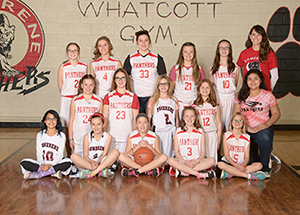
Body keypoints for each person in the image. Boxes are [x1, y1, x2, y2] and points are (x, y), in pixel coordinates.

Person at [233, 69, 281, 178]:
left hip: (262, 129)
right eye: (249, 79)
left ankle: (265, 169)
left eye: (256, 79)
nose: (253, 81)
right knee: (251, 162)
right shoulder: (241, 96)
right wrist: (247, 128)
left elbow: (276, 113)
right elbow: (235, 115)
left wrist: (266, 124)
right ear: (246, 81)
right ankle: (249, 167)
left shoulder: (268, 95)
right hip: (246, 129)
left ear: (260, 81)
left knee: (265, 138)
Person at [123, 30, 167, 113]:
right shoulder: (131, 58)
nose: (143, 43)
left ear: (149, 42)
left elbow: (163, 78)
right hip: (136, 96)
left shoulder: (157, 57)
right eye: (140, 41)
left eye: (146, 40)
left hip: (152, 96)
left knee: (150, 122)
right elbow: (125, 78)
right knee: (138, 122)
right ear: (137, 42)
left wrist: (159, 94)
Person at [20, 110, 72, 179]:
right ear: (44, 121)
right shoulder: (40, 134)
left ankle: (39, 174)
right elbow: (39, 153)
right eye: (48, 119)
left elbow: (60, 154)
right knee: (24, 162)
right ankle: (53, 173)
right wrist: (42, 164)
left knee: (69, 162)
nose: (51, 121)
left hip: (55, 163)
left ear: (57, 121)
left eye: (54, 119)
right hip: (42, 164)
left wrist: (50, 165)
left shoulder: (61, 135)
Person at [168, 107, 216, 179]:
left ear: (195, 117)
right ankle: (197, 173)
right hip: (183, 161)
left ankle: (184, 171)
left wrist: (197, 161)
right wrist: (185, 161)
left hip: (196, 162)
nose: (189, 118)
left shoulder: (200, 131)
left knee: (212, 160)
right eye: (187, 116)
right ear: (183, 117)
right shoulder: (178, 131)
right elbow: (176, 152)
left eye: (192, 116)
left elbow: (203, 152)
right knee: (170, 160)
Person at [57, 42, 87, 156]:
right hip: (66, 98)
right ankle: (69, 154)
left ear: (78, 52)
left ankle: (82, 152)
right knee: (66, 126)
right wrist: (67, 95)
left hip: (79, 98)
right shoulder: (63, 66)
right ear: (67, 53)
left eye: (75, 50)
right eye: (70, 50)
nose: (73, 53)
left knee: (78, 124)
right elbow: (60, 84)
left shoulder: (84, 66)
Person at [217, 112, 266, 180]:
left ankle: (231, 173)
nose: (237, 122)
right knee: (220, 164)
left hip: (242, 165)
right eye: (235, 120)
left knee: (259, 165)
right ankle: (248, 176)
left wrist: (244, 165)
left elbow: (247, 156)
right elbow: (227, 155)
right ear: (231, 122)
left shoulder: (247, 137)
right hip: (230, 163)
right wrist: (235, 165)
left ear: (243, 123)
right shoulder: (226, 135)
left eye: (240, 120)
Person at [70, 112, 120, 179]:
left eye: (98, 124)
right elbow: (85, 155)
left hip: (101, 161)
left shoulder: (108, 136)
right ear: (90, 125)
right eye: (93, 124)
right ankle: (97, 171)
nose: (96, 127)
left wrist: (98, 162)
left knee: (116, 152)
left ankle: (93, 172)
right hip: (90, 162)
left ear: (103, 124)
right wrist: (92, 162)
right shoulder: (87, 137)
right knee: (73, 156)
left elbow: (104, 154)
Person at [103, 68, 139, 154]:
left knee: (125, 163)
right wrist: (104, 135)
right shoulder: (108, 96)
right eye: (118, 78)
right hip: (112, 135)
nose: (120, 80)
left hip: (127, 136)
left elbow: (135, 119)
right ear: (114, 80)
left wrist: (134, 135)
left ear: (127, 79)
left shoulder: (132, 96)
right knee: (111, 164)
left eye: (123, 78)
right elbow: (105, 118)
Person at [69, 74, 103, 156]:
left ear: (94, 86)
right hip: (78, 137)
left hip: (94, 138)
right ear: (81, 85)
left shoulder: (98, 101)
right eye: (86, 84)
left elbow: (102, 122)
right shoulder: (75, 100)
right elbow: (71, 120)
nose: (88, 87)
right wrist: (70, 139)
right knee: (79, 162)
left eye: (91, 85)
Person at [169, 42, 206, 118]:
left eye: (191, 52)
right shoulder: (176, 68)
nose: (188, 54)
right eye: (185, 52)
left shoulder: (199, 69)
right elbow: (171, 88)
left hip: (193, 102)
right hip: (179, 102)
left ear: (194, 53)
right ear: (182, 53)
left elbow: (203, 87)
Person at [209, 39, 239, 131]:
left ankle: (228, 145)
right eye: (221, 47)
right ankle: (219, 145)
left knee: (230, 125)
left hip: (230, 98)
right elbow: (211, 86)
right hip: (219, 98)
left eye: (226, 47)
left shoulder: (235, 67)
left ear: (230, 50)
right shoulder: (213, 68)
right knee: (218, 125)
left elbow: (235, 83)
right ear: (218, 50)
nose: (224, 50)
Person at [147, 75, 179, 160]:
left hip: (170, 131)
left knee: (169, 156)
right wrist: (149, 132)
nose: (163, 86)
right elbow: (149, 118)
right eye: (161, 84)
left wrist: (177, 134)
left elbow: (176, 118)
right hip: (158, 130)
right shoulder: (153, 100)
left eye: (165, 84)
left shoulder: (173, 100)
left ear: (169, 85)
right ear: (157, 86)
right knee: (158, 154)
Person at [237, 24, 278, 91]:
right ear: (250, 36)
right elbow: (242, 72)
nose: (256, 37)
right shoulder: (243, 53)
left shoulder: (269, 54)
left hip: (263, 90)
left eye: (259, 35)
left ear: (262, 37)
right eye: (254, 34)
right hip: (248, 91)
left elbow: (275, 76)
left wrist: (269, 90)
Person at [191, 79, 222, 164]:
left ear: (211, 89)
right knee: (200, 159)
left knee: (212, 160)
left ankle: (211, 174)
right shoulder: (194, 104)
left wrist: (218, 140)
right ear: (199, 89)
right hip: (200, 134)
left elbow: (219, 123)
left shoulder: (215, 104)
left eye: (207, 87)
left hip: (212, 134)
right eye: (202, 87)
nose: (205, 90)